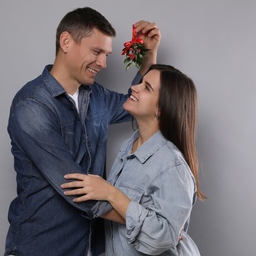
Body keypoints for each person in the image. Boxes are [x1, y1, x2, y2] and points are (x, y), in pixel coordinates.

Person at [4, 6, 161, 256]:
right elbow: (77, 189)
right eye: (97, 51)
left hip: (89, 247)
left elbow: (137, 106)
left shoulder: (96, 95)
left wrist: (148, 58)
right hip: (41, 247)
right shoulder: (31, 106)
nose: (104, 63)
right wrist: (152, 223)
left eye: (106, 54)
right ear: (66, 41)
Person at [62, 64, 206, 255]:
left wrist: (112, 194)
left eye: (147, 87)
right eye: (141, 82)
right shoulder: (129, 147)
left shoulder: (172, 166)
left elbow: (163, 238)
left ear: (161, 109)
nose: (134, 87)